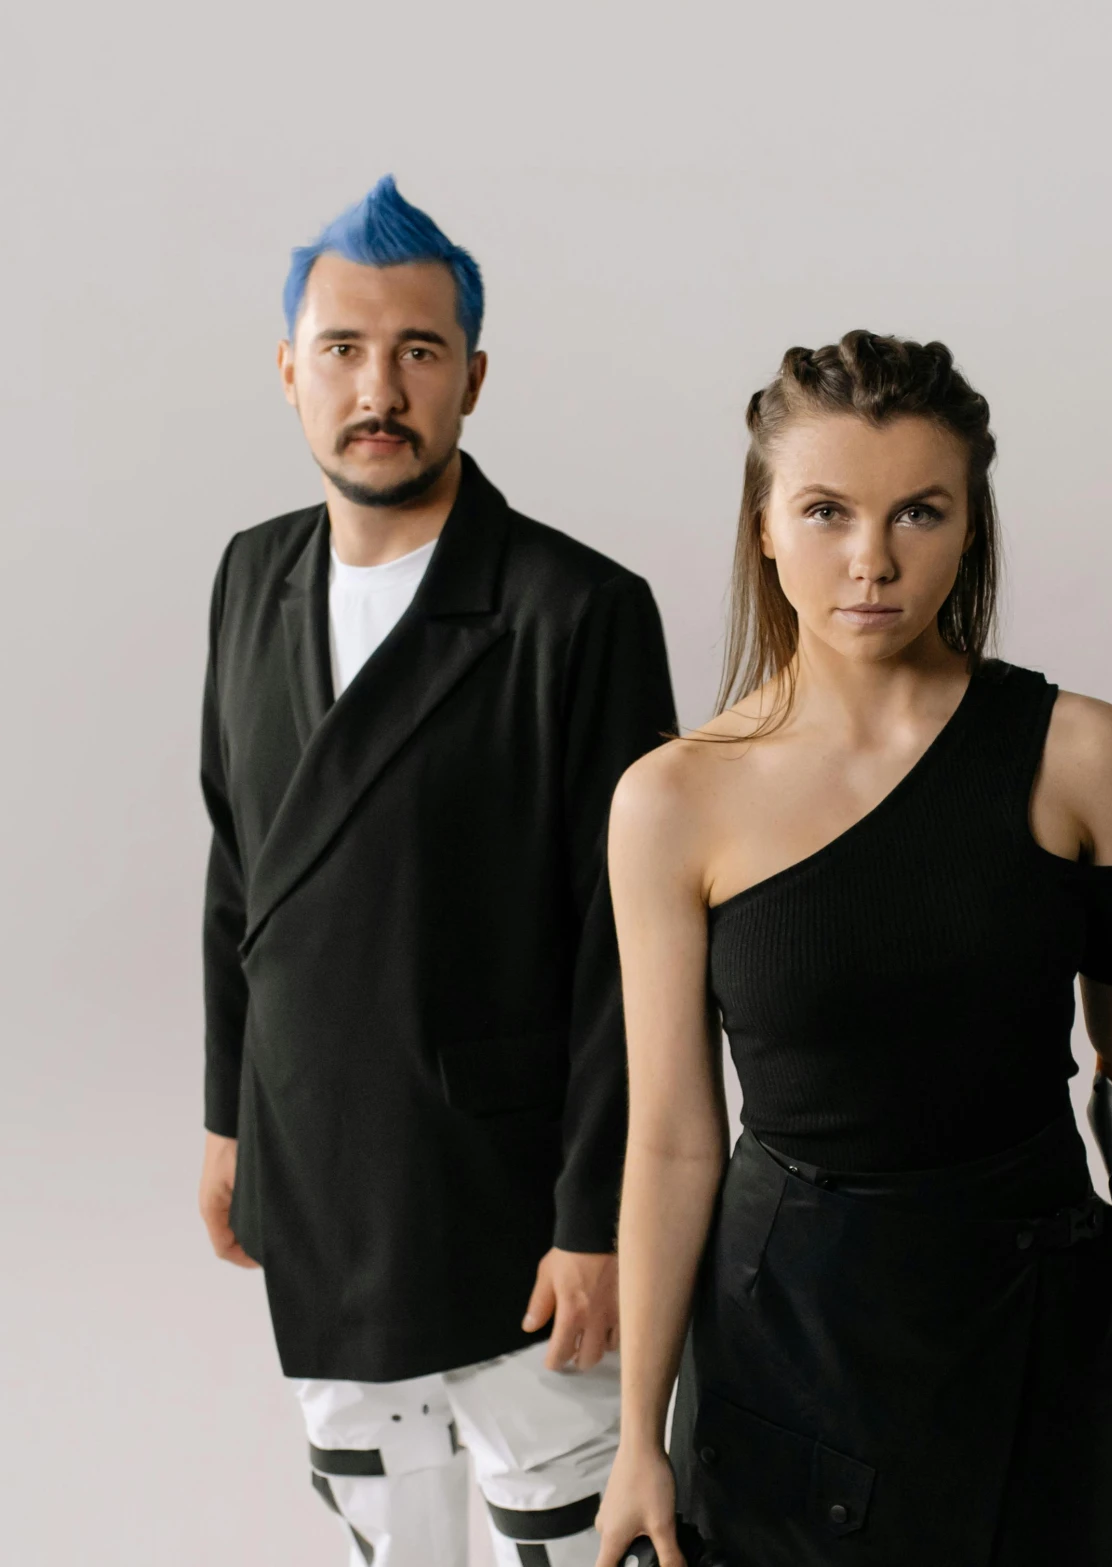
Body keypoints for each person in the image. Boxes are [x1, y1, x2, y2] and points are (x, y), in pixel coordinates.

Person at [597, 331, 1112, 1566]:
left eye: (919, 512)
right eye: (825, 511)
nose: (871, 560)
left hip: (1030, 1324)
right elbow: (670, 1133)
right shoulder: (673, 799)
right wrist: (635, 1438)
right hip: (789, 1345)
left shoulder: (1083, 755)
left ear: (971, 524)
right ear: (765, 527)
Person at [195, 175, 678, 1567]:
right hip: (321, 1172)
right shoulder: (248, 578)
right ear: (291, 372)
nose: (377, 386)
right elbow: (238, 865)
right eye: (342, 349)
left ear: (472, 374)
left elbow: (624, 948)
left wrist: (598, 1218)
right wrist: (232, 1115)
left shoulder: (573, 610)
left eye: (415, 351)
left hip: (511, 1205)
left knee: (576, 1535)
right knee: (380, 1531)